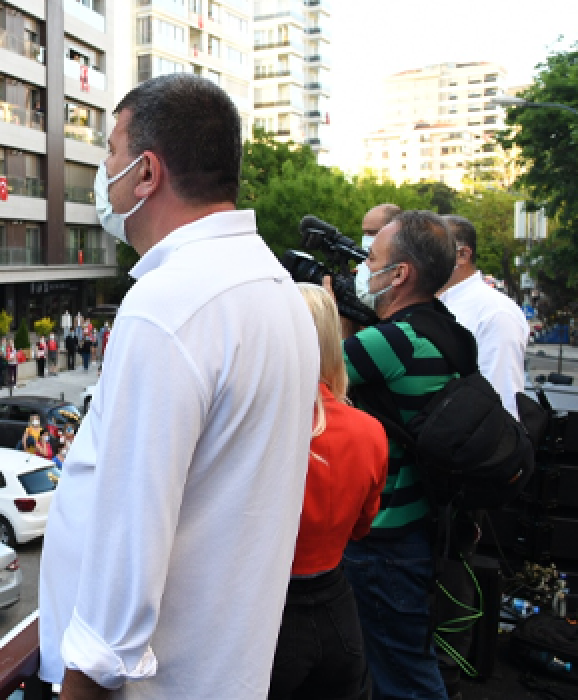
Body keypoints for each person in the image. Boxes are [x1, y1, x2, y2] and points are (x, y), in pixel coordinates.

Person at [38, 74, 319, 700]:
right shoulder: (273, 287)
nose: (103, 170)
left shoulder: (168, 307)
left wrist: (81, 685)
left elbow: (130, 537)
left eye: (110, 152)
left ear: (145, 172)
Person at [342, 209, 466, 700]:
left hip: (383, 538)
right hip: (421, 522)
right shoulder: (447, 329)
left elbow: (322, 375)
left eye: (371, 256)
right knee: (404, 662)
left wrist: (334, 311)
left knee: (403, 677)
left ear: (400, 274)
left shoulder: (392, 341)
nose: (362, 265)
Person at [267, 284, 389, 700]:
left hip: (267, 615)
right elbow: (361, 527)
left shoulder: (247, 431)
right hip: (337, 612)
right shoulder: (368, 431)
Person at [439, 215, 529, 418]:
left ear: (462, 255)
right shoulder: (432, 302)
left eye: (432, 248)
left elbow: (500, 399)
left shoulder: (495, 313)